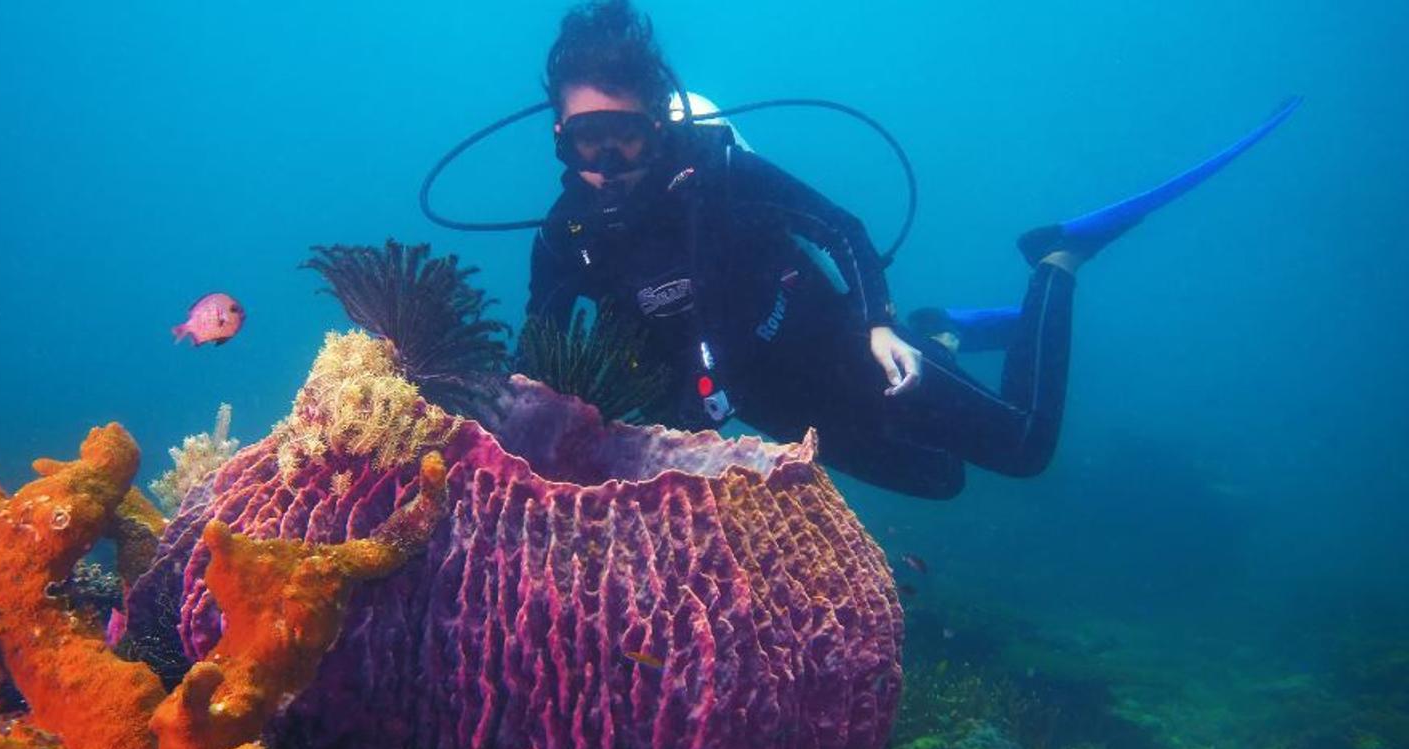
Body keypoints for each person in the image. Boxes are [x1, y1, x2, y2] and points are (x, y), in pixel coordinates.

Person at [526, 0, 1295, 499]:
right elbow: (543, 361)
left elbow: (842, 229)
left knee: (1025, 447)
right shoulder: (569, 238)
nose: (606, 164)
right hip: (779, 410)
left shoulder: (720, 173)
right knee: (942, 480)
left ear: (657, 123)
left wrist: (879, 322)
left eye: (623, 135)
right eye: (584, 142)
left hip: (849, 355)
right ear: (559, 138)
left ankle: (1056, 262)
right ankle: (948, 327)